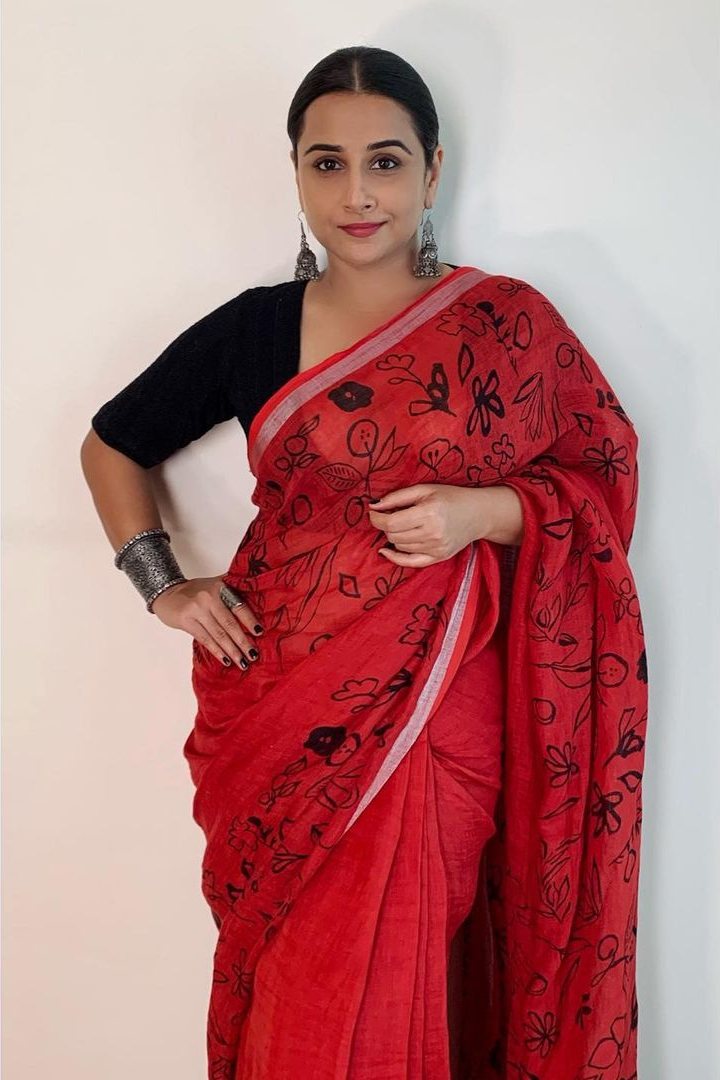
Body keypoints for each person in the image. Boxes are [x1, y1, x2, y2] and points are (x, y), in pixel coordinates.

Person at [81, 45, 648, 1080]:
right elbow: (113, 444)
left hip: (438, 715)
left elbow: (602, 478)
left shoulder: (509, 324)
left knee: (400, 970)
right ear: (296, 174)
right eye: (327, 164)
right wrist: (165, 585)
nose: (357, 194)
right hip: (280, 706)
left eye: (385, 162)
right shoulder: (256, 331)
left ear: (432, 172)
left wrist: (486, 511)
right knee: (298, 987)